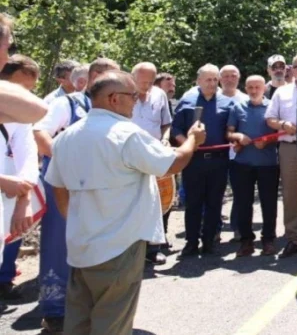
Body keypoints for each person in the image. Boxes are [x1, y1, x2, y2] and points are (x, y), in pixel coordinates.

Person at [45, 71, 205, 334]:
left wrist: (74, 221)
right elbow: (172, 163)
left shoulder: (65, 137)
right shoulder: (126, 134)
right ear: (113, 98)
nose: (137, 101)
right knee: (113, 322)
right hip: (119, 245)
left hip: (80, 243)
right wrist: (192, 140)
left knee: (79, 320)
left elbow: (57, 186)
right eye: (133, 96)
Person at [34, 57, 119, 333]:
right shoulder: (67, 103)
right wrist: (63, 162)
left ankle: (86, 304)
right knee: (59, 243)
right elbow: (40, 132)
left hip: (97, 187)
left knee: (91, 244)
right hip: (64, 184)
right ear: (94, 78)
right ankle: (55, 309)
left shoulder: (111, 110)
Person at [172, 63, 237, 257]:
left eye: (215, 79)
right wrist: (189, 145)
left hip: (218, 161)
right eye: (208, 79)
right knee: (193, 203)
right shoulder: (187, 102)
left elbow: (231, 130)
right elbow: (176, 129)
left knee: (214, 202)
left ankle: (209, 241)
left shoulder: (228, 103)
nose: (212, 83)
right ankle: (191, 242)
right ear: (198, 80)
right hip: (194, 161)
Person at [0, 56, 43, 298]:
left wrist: (24, 200)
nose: (26, 96)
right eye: (21, 88)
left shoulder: (21, 118)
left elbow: (27, 157)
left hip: (10, 195)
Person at [226, 75, 279, 258]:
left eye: (257, 87)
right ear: (246, 88)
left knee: (269, 203)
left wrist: (267, 142)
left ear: (264, 88)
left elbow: (280, 134)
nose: (254, 90)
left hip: (268, 164)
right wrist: (238, 137)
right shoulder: (237, 106)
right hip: (242, 164)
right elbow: (229, 132)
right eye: (250, 87)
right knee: (243, 203)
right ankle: (246, 241)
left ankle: (268, 240)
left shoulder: (273, 106)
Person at [265, 53, 297, 259]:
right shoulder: (281, 93)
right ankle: (294, 239)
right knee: (291, 195)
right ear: (293, 69)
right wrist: (282, 125)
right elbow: (270, 118)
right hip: (290, 149)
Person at [130, 62, 174, 264]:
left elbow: (166, 123)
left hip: (155, 153)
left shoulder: (159, 95)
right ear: (133, 78)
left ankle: (153, 247)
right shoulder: (121, 94)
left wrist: (165, 138)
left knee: (158, 200)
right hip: (129, 156)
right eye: (142, 82)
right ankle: (131, 249)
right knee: (132, 203)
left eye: (150, 81)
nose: (146, 86)